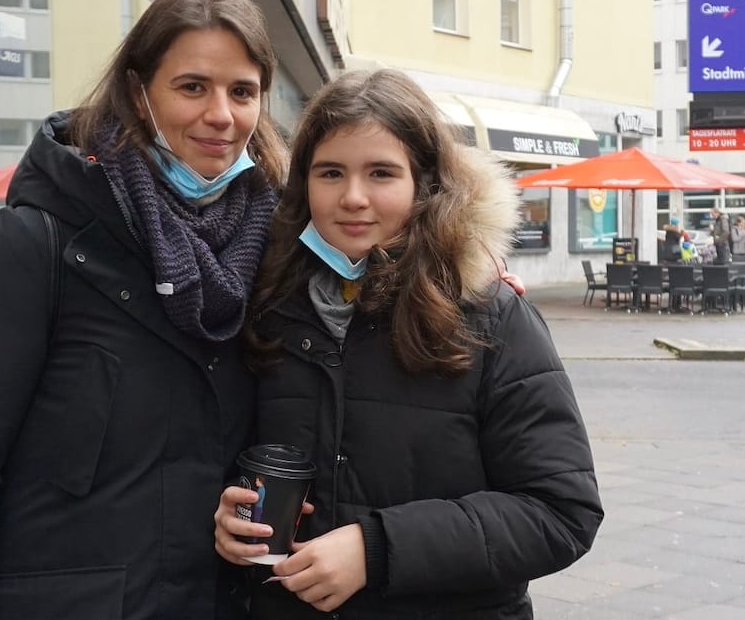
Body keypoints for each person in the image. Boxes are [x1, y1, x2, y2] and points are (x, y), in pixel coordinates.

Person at [0, 0, 291, 620]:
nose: (221, 115)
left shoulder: (269, 248)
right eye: (193, 86)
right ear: (138, 91)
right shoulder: (36, 246)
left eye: (242, 91)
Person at [212, 69, 602, 618]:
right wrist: (231, 514)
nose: (352, 197)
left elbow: (560, 513)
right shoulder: (271, 309)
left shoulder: (492, 316)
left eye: (381, 173)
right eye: (330, 172)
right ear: (304, 186)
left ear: (425, 185)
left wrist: (378, 549)